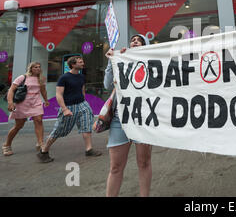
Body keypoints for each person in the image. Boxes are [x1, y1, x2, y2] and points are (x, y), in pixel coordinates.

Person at [104, 34, 153, 197]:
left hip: (144, 118)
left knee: (144, 162)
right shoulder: (121, 60)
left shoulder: (153, 63)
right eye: (133, 40)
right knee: (115, 166)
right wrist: (112, 61)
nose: (135, 41)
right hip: (120, 119)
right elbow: (106, 84)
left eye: (139, 40)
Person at [37, 56, 102, 163]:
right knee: (59, 130)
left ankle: (89, 149)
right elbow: (59, 94)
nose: (82, 63)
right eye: (80, 62)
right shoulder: (64, 78)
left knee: (86, 126)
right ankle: (44, 151)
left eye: (82, 61)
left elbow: (82, 89)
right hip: (68, 107)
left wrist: (84, 101)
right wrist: (64, 109)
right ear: (73, 64)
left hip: (82, 105)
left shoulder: (81, 76)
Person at [2, 62, 49, 156]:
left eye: (39, 67)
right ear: (31, 68)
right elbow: (11, 89)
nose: (38, 69)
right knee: (19, 125)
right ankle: (7, 145)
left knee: (39, 120)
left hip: (36, 102)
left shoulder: (41, 79)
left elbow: (43, 90)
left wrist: (46, 100)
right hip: (22, 103)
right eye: (35, 67)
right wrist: (10, 102)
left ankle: (40, 143)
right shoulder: (23, 77)